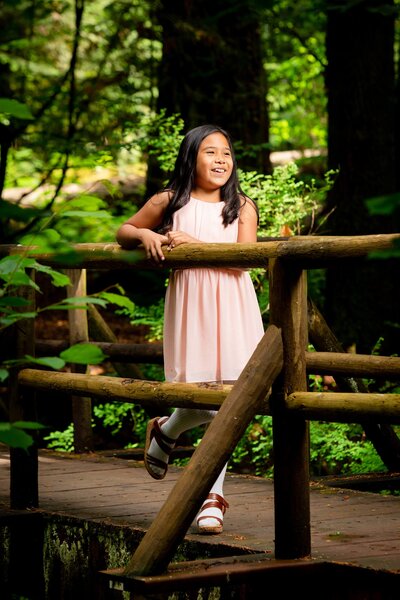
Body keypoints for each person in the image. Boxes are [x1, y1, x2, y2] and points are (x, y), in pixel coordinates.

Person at [116, 124, 264, 535]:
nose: (220, 159)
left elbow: (244, 260)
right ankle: (168, 432)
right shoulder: (171, 199)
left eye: (227, 153)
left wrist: (194, 244)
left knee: (228, 402)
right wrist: (149, 233)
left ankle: (207, 491)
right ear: (190, 157)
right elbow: (123, 230)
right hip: (192, 305)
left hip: (233, 304)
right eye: (210, 152)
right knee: (200, 395)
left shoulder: (241, 205)